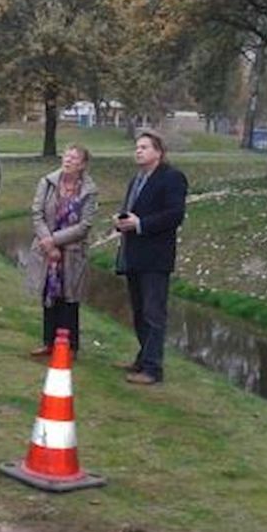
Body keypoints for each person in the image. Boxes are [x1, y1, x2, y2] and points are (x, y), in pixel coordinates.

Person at [114, 130, 187, 385]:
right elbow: (131, 212)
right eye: (137, 147)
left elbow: (175, 215)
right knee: (138, 311)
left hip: (156, 257)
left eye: (144, 147)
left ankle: (154, 368)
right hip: (134, 255)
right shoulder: (136, 180)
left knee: (154, 313)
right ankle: (143, 358)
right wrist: (122, 221)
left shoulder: (172, 178)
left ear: (159, 151)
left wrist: (141, 223)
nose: (138, 151)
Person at [27, 144, 98, 356]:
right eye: (66, 156)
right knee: (49, 293)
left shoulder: (89, 190)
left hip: (73, 252)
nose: (68, 160)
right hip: (47, 251)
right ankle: (48, 342)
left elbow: (84, 226)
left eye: (74, 158)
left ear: (83, 164)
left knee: (69, 297)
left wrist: (55, 241)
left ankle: (70, 346)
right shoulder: (47, 183)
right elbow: (37, 213)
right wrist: (48, 243)